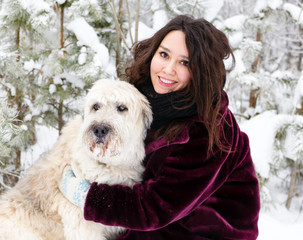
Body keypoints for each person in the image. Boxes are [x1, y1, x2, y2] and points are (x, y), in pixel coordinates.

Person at [59, 14, 260, 239]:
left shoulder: (211, 132)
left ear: (201, 72)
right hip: (157, 227)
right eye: (164, 55)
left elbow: (155, 207)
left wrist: (86, 196)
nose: (168, 69)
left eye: (185, 62)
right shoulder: (142, 96)